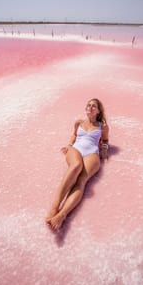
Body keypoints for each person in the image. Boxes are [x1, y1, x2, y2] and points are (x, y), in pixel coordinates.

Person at [45, 98, 109, 231]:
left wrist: (104, 150)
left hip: (92, 153)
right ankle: (54, 207)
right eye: (88, 105)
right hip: (76, 149)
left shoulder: (102, 126)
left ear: (98, 111)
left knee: (81, 180)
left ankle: (62, 215)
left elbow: (105, 140)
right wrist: (69, 145)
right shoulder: (79, 122)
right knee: (76, 166)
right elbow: (74, 135)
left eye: (94, 106)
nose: (90, 107)